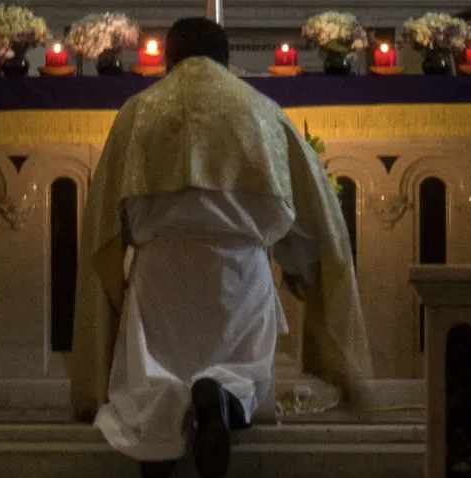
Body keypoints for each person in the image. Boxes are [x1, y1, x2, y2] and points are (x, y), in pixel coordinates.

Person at [69, 17, 373, 478]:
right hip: (238, 273)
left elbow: (105, 222)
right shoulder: (260, 109)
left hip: (161, 275)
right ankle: (224, 397)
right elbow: (311, 213)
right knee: (241, 368)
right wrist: (300, 268)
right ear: (227, 60)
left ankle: (160, 427)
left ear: (168, 60)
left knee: (154, 375)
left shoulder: (138, 111)